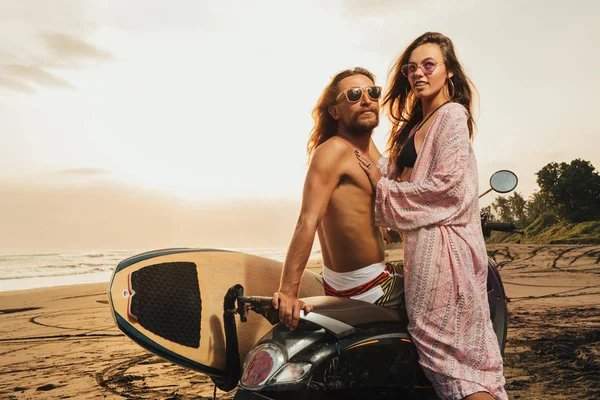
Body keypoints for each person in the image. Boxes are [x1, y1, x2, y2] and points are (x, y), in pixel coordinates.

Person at [355, 32, 507, 400]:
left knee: (456, 366)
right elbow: (389, 170)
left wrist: (384, 187)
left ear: (449, 72)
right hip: (422, 257)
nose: (418, 74)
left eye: (428, 65)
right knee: (445, 363)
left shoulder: (452, 116)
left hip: (447, 259)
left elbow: (451, 188)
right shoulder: (414, 127)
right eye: (411, 68)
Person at [272, 67, 403, 331]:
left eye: (372, 92)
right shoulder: (333, 150)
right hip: (371, 289)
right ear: (334, 112)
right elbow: (307, 219)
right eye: (354, 95)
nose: (366, 100)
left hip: (353, 283)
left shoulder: (368, 150)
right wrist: (288, 291)